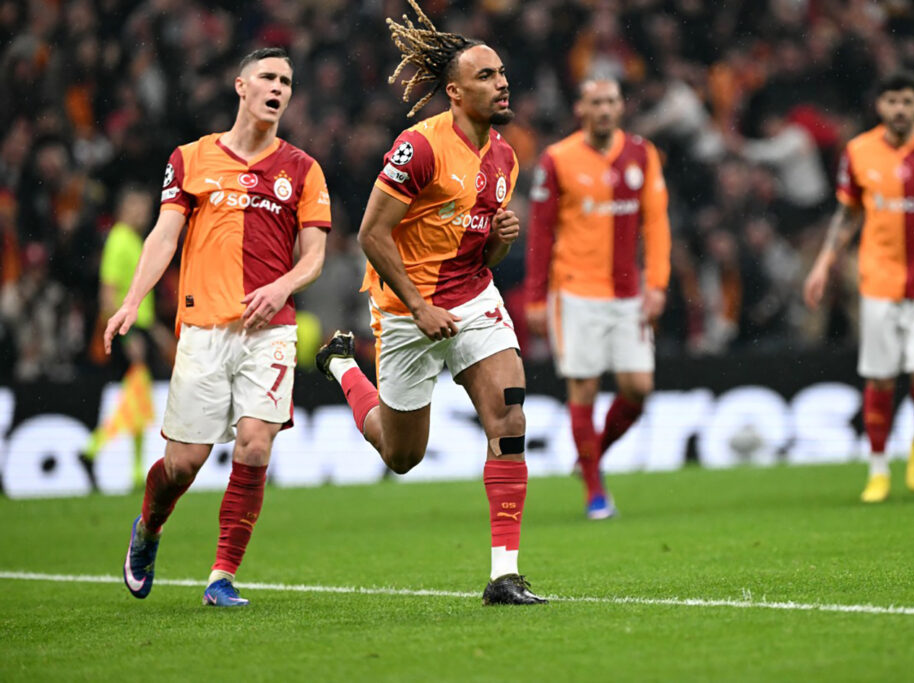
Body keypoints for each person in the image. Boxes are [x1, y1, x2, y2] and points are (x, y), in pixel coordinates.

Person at [315, 0, 545, 605]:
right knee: (402, 455)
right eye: (486, 76)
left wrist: (499, 241)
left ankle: (504, 575)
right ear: (454, 92)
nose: (502, 84)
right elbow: (371, 234)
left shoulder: (505, 157)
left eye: (502, 73)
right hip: (406, 311)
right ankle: (342, 367)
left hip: (472, 295)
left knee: (510, 417)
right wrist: (418, 307)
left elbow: (482, 252)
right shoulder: (419, 147)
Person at [104, 47, 331, 606]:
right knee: (183, 464)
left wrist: (281, 287)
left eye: (286, 81)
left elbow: (314, 257)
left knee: (254, 446)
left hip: (270, 328)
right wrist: (132, 301)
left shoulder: (302, 169)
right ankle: (149, 527)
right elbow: (164, 235)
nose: (278, 87)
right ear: (241, 86)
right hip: (203, 326)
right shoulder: (191, 158)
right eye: (267, 77)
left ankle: (221, 575)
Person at [803, 72, 914, 503]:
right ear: (879, 106)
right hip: (879, 280)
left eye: (906, 101)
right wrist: (824, 261)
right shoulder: (858, 151)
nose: (899, 109)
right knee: (881, 380)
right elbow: (847, 213)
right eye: (891, 101)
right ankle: (878, 469)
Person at [524, 78, 671, 519]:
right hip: (575, 291)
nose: (604, 110)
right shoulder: (557, 158)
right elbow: (540, 232)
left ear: (621, 107)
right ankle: (595, 491)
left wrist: (657, 283)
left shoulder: (642, 153)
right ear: (581, 109)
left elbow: (656, 223)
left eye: (611, 102)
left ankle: (591, 456)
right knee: (584, 387)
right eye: (596, 103)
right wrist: (535, 297)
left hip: (628, 293)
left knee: (638, 388)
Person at [79, 184, 166, 492]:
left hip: (140, 329)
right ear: (122, 209)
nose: (142, 213)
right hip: (128, 331)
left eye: (145, 208)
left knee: (138, 399)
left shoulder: (134, 240)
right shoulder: (119, 240)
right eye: (136, 207)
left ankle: (133, 468)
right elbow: (107, 295)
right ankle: (94, 448)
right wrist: (125, 337)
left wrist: (157, 332)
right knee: (137, 397)